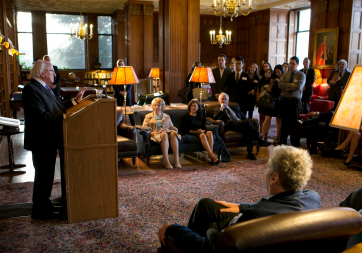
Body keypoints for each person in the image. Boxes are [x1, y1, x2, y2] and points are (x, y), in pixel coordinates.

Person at [158, 145, 321, 253]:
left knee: (186, 234)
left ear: (274, 178)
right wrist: (241, 207)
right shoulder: (312, 197)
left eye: (268, 170)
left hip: (230, 239)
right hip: (263, 225)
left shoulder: (255, 216)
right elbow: (277, 205)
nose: (266, 174)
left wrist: (172, 229)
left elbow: (212, 248)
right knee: (205, 205)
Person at [22, 60, 87, 220]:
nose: (55, 74)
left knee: (47, 176)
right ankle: (39, 210)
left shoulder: (44, 88)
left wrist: (75, 102)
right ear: (42, 72)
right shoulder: (31, 89)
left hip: (49, 139)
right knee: (43, 176)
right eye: (52, 71)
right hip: (41, 140)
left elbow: (57, 108)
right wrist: (66, 117)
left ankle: (45, 204)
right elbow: (41, 116)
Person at [212, 93, 271, 160]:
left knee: (247, 129)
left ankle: (250, 153)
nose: (224, 101)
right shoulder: (216, 109)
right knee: (247, 123)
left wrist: (246, 123)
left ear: (228, 101)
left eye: (225, 99)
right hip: (229, 125)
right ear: (218, 101)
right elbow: (215, 118)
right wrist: (221, 109)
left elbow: (243, 117)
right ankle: (260, 140)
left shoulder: (234, 108)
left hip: (239, 123)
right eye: (222, 99)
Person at [142, 98, 181, 169]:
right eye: (154, 105)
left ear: (162, 106)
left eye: (158, 105)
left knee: (172, 134)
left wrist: (169, 130)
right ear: (152, 106)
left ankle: (176, 160)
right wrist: (158, 132)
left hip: (166, 133)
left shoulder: (167, 116)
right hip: (155, 135)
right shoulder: (148, 116)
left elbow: (173, 128)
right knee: (163, 134)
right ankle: (166, 160)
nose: (156, 107)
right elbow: (145, 130)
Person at [180, 99, 220, 165]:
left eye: (195, 106)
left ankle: (210, 157)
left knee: (209, 132)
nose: (193, 107)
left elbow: (204, 128)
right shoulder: (185, 117)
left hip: (200, 132)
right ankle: (212, 155)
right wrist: (196, 131)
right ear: (189, 107)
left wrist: (202, 130)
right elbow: (185, 130)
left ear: (198, 108)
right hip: (191, 133)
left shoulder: (201, 116)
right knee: (202, 135)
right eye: (192, 106)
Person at [278, 56, 306, 147]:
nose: (291, 65)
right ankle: (283, 141)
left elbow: (298, 87)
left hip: (295, 101)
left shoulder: (301, 75)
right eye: (290, 63)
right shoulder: (285, 75)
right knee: (284, 122)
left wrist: (286, 87)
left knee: (294, 123)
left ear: (297, 64)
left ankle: (294, 143)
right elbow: (280, 85)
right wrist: (291, 85)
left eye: (293, 64)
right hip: (285, 100)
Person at [262, 65, 284, 145]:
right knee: (267, 119)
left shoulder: (284, 79)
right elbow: (269, 91)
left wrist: (280, 82)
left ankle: (277, 137)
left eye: (279, 72)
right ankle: (262, 137)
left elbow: (284, 90)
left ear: (282, 72)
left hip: (280, 101)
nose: (277, 73)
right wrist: (271, 83)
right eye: (276, 72)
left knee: (278, 120)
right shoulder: (272, 79)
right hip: (272, 101)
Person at [112, 59, 135, 126]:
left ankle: (133, 125)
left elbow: (130, 84)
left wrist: (126, 92)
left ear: (124, 64)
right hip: (118, 94)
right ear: (117, 65)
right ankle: (120, 124)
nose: (121, 66)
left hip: (127, 94)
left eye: (122, 64)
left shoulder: (127, 72)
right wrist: (120, 92)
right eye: (119, 65)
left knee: (130, 110)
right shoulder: (115, 72)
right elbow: (113, 85)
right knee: (119, 111)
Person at [256, 68, 273, 135]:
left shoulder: (271, 81)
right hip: (261, 101)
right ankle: (261, 130)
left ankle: (266, 132)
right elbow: (257, 91)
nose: (267, 74)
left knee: (268, 118)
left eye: (269, 73)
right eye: (266, 72)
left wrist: (271, 83)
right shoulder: (260, 81)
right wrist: (258, 99)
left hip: (269, 101)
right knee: (261, 117)